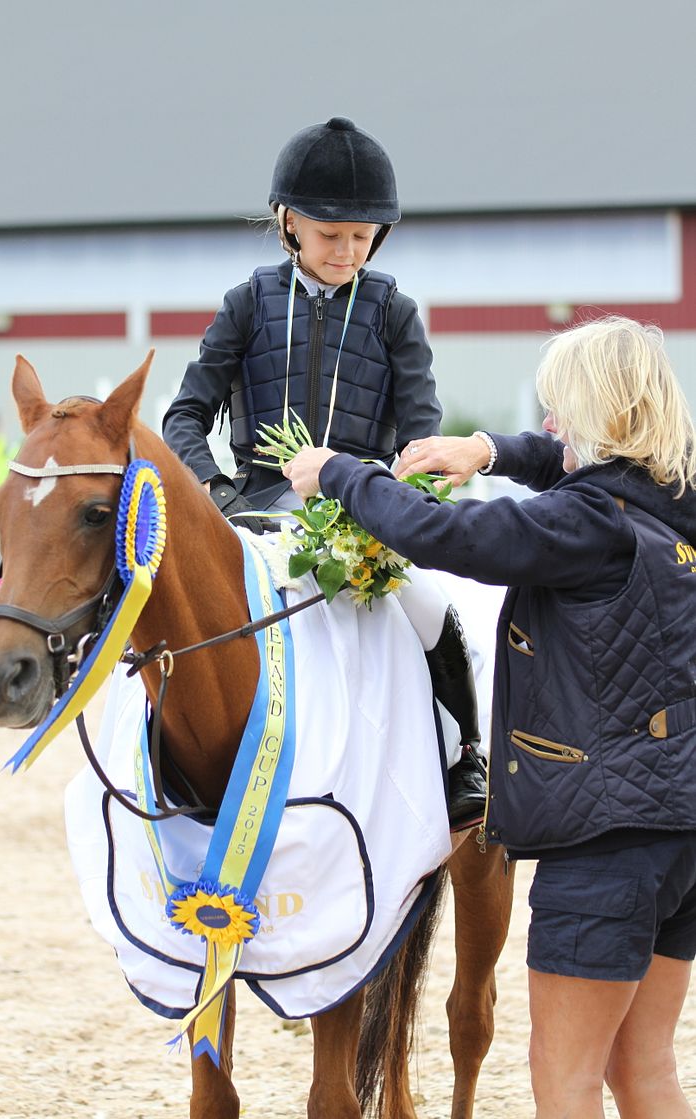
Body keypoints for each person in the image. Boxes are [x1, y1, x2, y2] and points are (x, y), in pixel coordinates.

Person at [282, 315, 696, 1119]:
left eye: (561, 410)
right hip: (681, 833)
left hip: (603, 843)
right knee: (643, 1066)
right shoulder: (673, 504)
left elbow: (442, 532)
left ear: (602, 414)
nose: (549, 425)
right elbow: (577, 466)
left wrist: (339, 473)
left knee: (567, 1080)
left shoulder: (584, 524)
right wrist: (490, 451)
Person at [162, 116, 488, 831]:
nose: (345, 251)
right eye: (329, 235)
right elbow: (183, 416)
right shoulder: (247, 304)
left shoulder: (395, 315)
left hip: (360, 517)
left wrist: (398, 488)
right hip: (250, 516)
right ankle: (162, 751)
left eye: (360, 238)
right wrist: (217, 494)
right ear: (289, 225)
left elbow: (422, 435)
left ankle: (467, 755)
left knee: (437, 611)